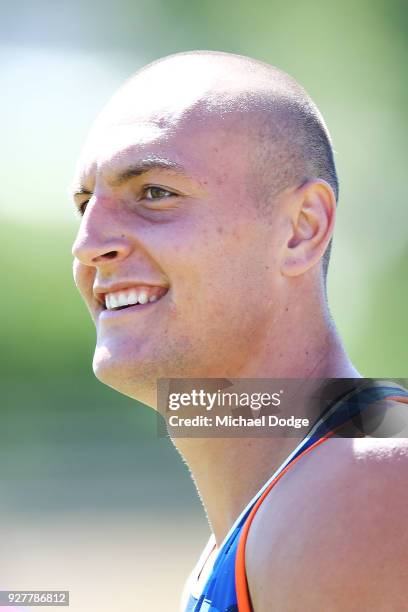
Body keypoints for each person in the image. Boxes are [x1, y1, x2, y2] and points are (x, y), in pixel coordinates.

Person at [71, 50, 408, 611]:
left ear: (301, 230)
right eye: (84, 204)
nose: (87, 244)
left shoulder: (366, 490)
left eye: (154, 193)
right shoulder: (288, 505)